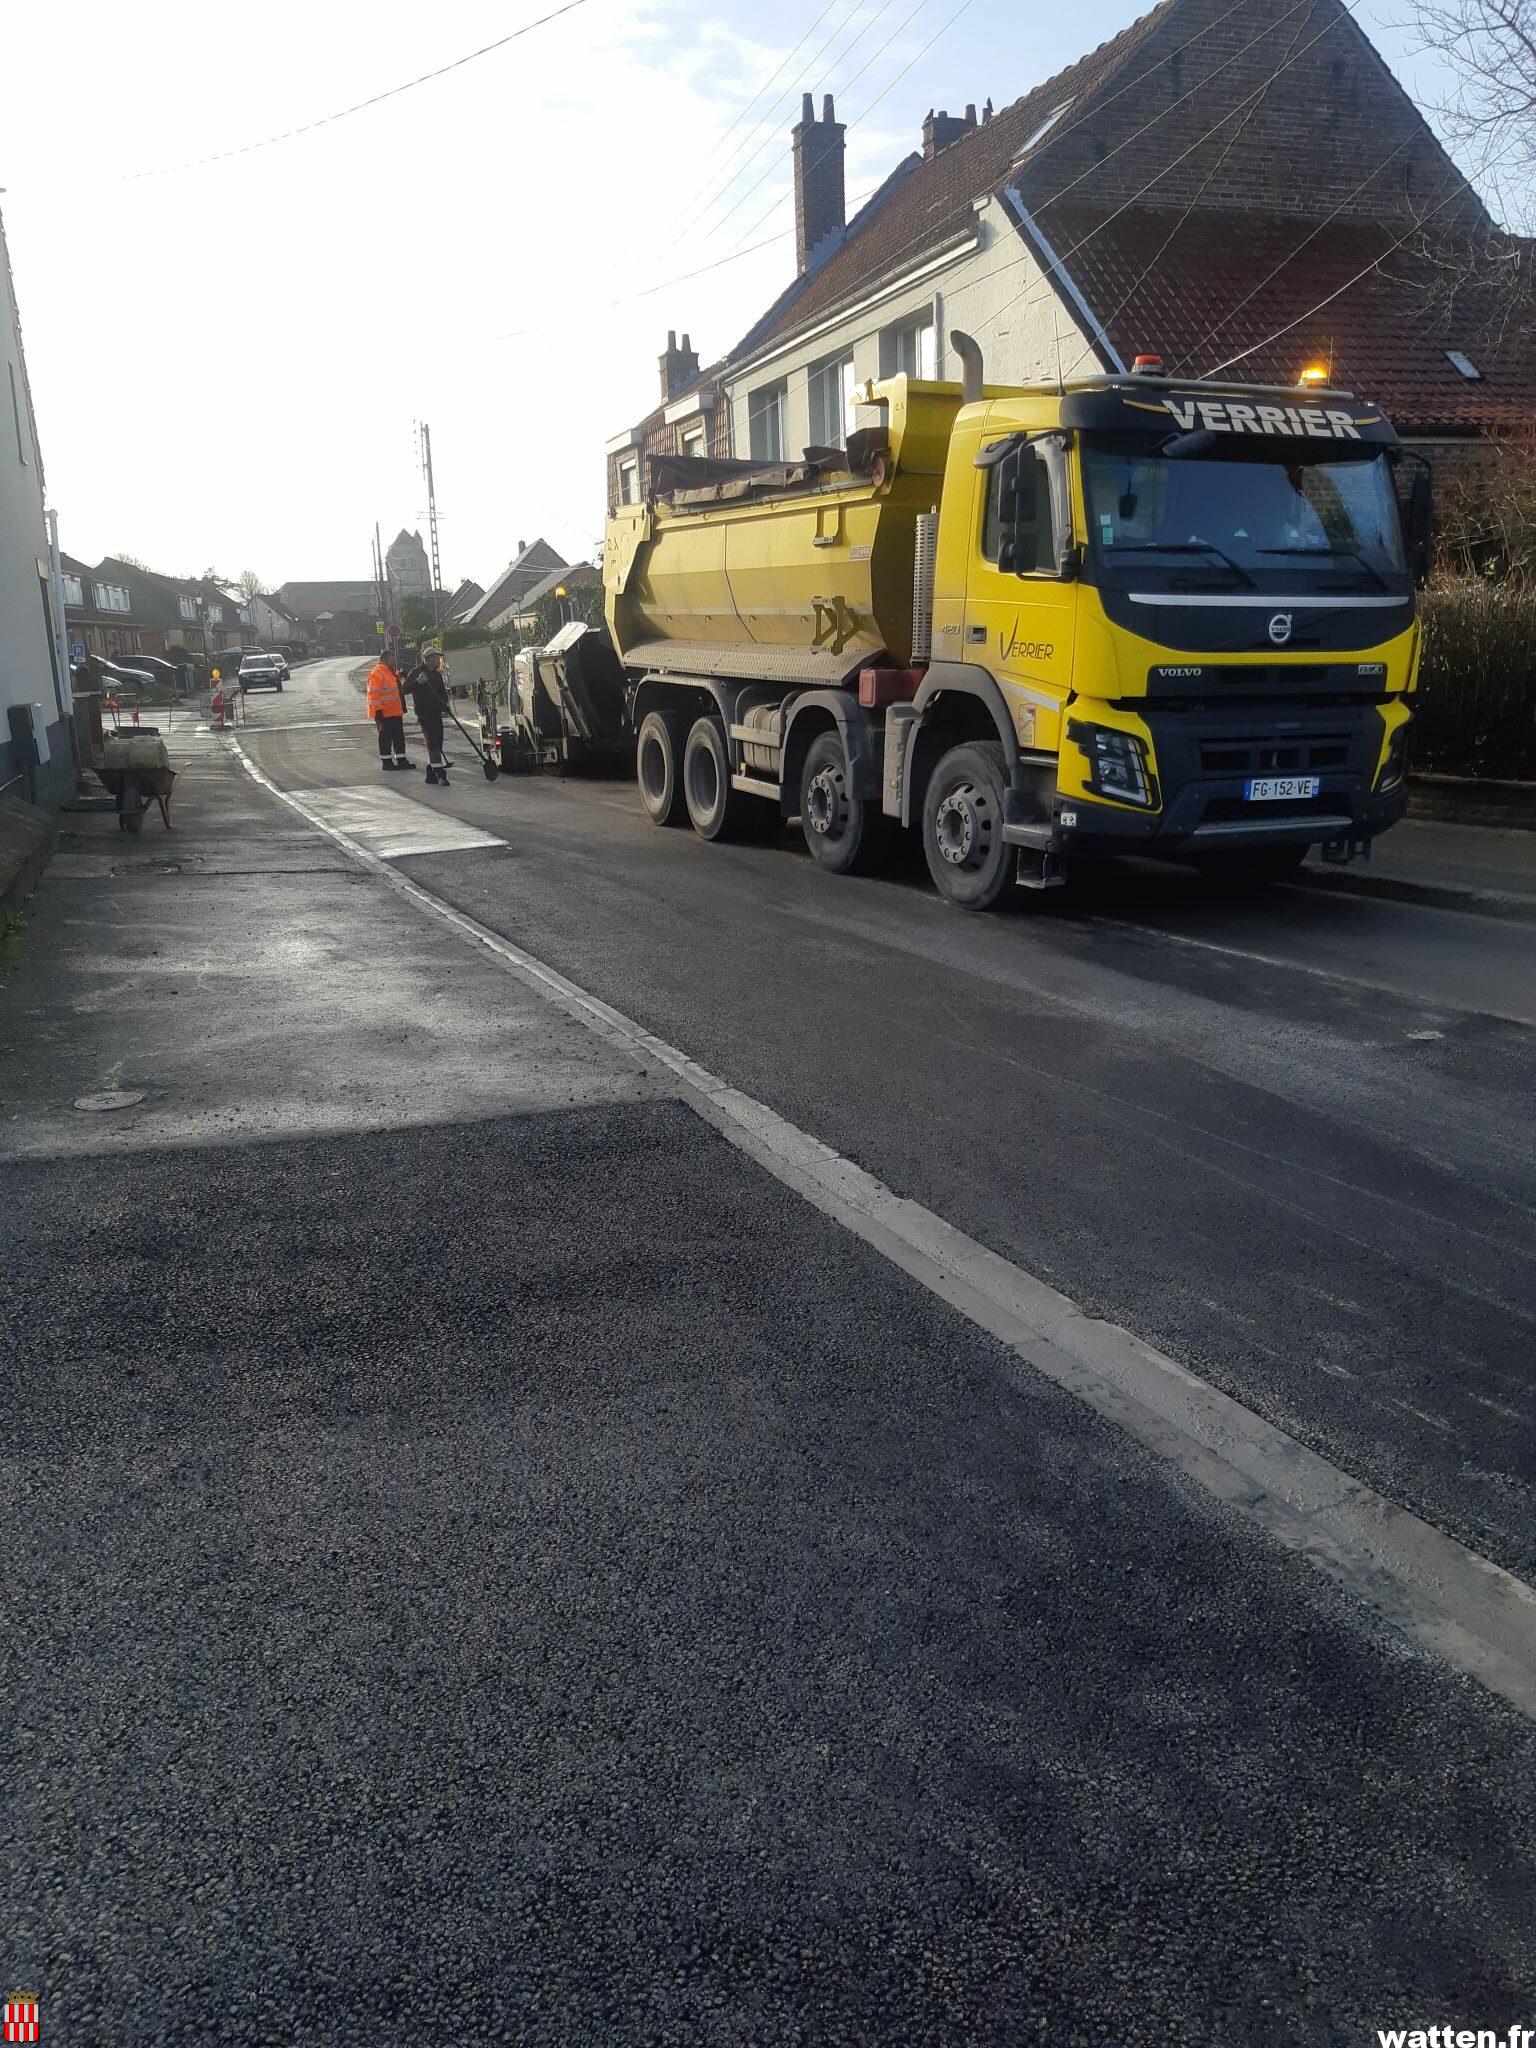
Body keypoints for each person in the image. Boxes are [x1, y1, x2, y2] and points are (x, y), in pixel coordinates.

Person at [406, 645, 451, 786]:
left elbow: (442, 693)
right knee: (432, 743)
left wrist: (445, 706)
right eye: (436, 658)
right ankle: (440, 775)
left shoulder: (437, 674)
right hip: (424, 714)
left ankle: (430, 775)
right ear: (428, 659)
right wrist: (417, 682)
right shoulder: (416, 672)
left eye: (438, 658)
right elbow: (404, 689)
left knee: (438, 741)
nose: (438, 660)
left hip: (436, 713)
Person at [366, 649, 413, 771]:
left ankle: (401, 760)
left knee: (398, 737)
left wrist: (401, 674)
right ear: (384, 659)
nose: (394, 661)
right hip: (384, 713)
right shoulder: (377, 673)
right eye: (391, 659)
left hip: (395, 711)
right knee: (385, 738)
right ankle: (386, 762)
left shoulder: (390, 671)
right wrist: (378, 711)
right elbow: (373, 694)